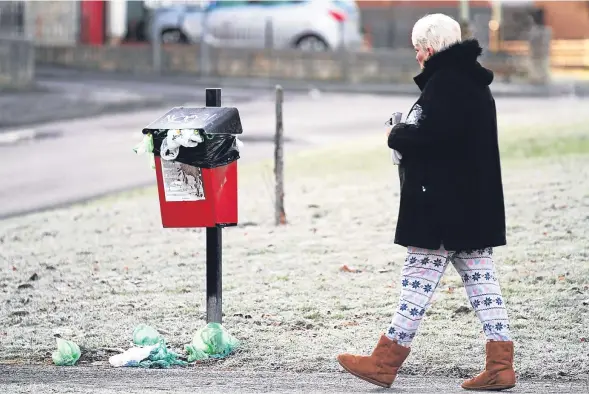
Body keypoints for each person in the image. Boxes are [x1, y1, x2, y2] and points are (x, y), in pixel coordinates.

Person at [336, 14, 516, 391]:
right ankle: (500, 366)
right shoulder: (470, 82)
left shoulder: (446, 84)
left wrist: (395, 133)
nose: (417, 55)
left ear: (429, 50)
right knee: (483, 285)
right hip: (472, 207)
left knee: (416, 284)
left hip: (442, 209)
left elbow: (433, 138)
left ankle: (384, 363)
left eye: (418, 49)